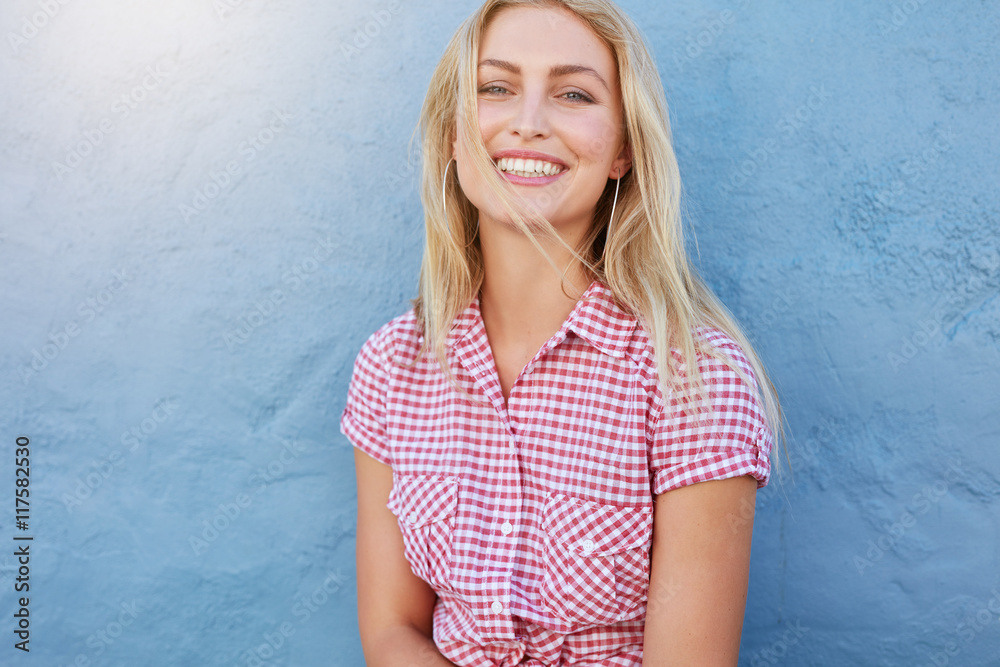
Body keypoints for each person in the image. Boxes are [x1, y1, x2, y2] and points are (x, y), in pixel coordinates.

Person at [341, 1, 783, 665]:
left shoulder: (695, 380)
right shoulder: (392, 365)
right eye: (496, 88)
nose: (528, 122)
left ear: (624, 150)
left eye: (573, 93)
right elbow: (392, 629)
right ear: (455, 134)